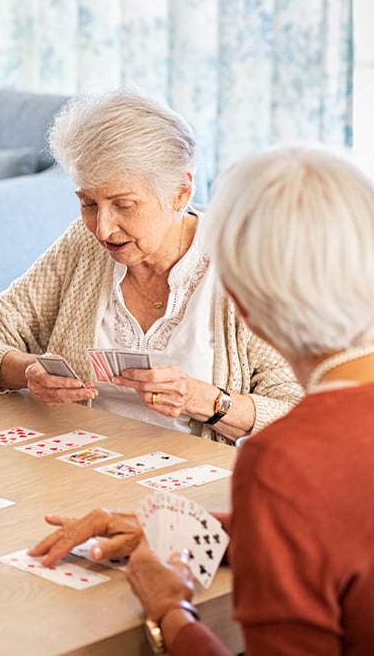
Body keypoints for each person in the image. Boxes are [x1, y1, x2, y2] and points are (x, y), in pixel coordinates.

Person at [29, 143, 374, 654]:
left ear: (241, 303)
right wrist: (186, 525)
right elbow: (344, 529)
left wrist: (169, 612)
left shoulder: (287, 460)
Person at [0, 87, 302, 444]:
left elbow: (298, 412)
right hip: (79, 465)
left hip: (195, 481)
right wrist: (28, 372)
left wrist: (206, 401)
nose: (102, 228)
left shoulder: (243, 263)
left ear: (181, 191)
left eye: (124, 205)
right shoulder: (85, 246)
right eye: (88, 203)